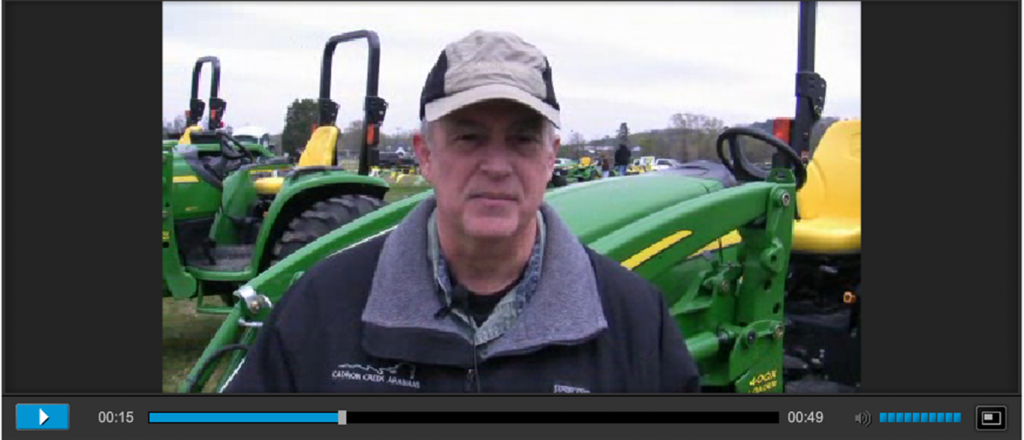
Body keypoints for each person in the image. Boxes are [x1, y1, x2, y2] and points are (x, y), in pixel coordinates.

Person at [223, 30, 700, 393]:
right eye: (469, 137)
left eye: (522, 138)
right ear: (425, 153)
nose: (496, 166)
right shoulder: (321, 307)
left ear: (551, 156)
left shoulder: (636, 320)